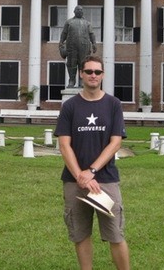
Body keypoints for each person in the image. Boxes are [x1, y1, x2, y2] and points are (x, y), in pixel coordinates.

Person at [54, 55, 130, 270]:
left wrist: (92, 171)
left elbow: (115, 143)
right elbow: (64, 146)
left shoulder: (113, 104)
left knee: (115, 234)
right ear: (81, 74)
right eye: (89, 72)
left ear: (103, 75)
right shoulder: (70, 106)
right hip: (74, 182)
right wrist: (81, 175)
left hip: (106, 180)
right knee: (80, 235)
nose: (93, 75)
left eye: (97, 72)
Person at [59, 5, 97, 88]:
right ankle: (72, 80)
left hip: (84, 46)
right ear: (74, 11)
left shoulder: (87, 23)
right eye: (78, 10)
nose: (80, 11)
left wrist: (94, 43)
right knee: (71, 63)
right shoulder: (69, 22)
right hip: (71, 46)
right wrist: (61, 42)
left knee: (82, 64)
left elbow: (91, 34)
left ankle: (81, 81)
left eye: (81, 10)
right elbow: (64, 33)